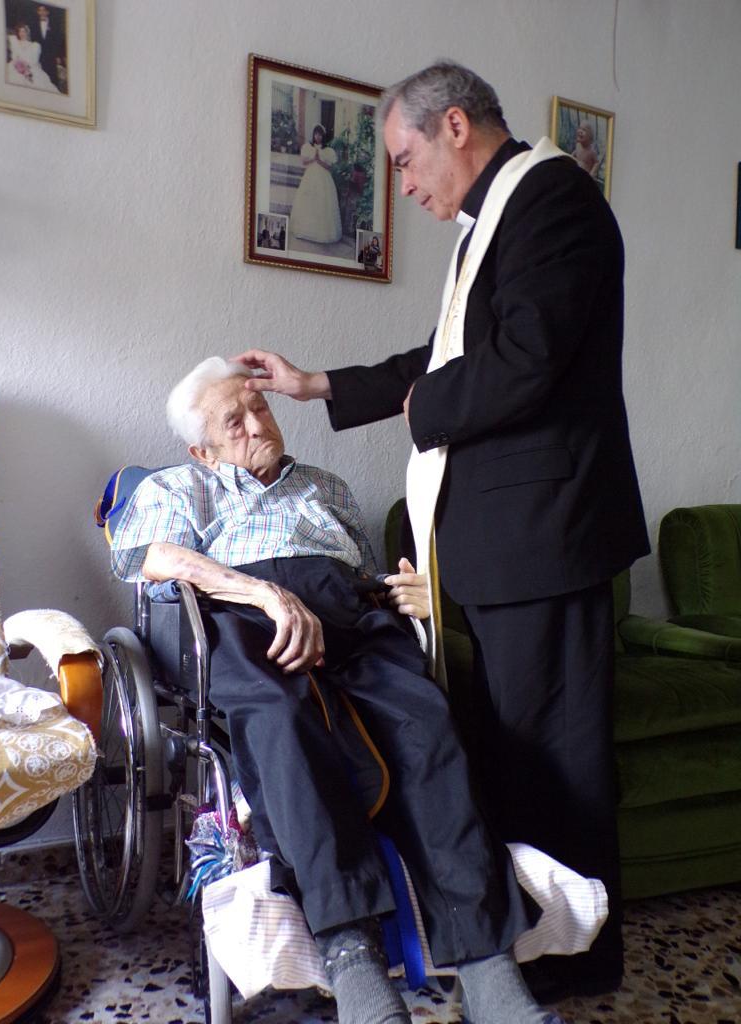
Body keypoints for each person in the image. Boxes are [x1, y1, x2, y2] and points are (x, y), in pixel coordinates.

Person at [234, 60, 650, 1002]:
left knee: (560, 759)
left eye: (405, 159)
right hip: (508, 543)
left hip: (548, 533)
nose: (405, 184)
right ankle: (528, 954)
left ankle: (577, 964)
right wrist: (319, 385)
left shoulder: (553, 200)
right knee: (514, 754)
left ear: (454, 125)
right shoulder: (494, 219)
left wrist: (423, 407)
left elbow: (524, 358)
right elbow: (450, 355)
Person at [111, 357, 566, 1024]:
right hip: (244, 620)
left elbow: (365, 574)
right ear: (201, 450)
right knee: (282, 719)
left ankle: (488, 968)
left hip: (349, 617)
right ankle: (353, 960)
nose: (256, 424)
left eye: (259, 408)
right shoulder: (178, 487)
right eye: (233, 422)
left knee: (425, 723)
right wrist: (265, 595)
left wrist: (410, 592)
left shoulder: (326, 487)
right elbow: (150, 559)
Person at [290, 124, 342, 244]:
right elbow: (304, 162)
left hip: (323, 177)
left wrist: (319, 160)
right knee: (308, 201)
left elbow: (329, 167)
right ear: (313, 135)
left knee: (323, 201)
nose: (318, 137)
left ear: (323, 136)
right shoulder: (308, 147)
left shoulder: (328, 150)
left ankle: (322, 232)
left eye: (320, 135)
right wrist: (313, 158)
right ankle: (305, 230)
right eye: (316, 134)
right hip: (311, 176)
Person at [5, 23, 59, 93]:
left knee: (37, 81)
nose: (22, 33)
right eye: (20, 31)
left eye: (24, 31)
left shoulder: (34, 46)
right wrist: (18, 64)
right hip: (16, 66)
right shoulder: (15, 43)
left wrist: (26, 66)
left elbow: (34, 61)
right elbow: (14, 57)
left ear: (27, 33)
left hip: (29, 66)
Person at [29, 4, 66, 92]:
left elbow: (59, 41)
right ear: (38, 12)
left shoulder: (55, 25)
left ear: (47, 12)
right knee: (41, 76)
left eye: (44, 10)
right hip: (39, 55)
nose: (42, 12)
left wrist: (58, 56)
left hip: (51, 55)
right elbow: (33, 41)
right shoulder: (34, 25)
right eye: (40, 10)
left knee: (52, 75)